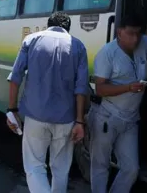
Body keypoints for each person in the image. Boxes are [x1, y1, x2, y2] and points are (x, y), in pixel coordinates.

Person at [89, 14, 147, 193]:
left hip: (130, 120)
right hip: (107, 117)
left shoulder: (143, 43)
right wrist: (128, 87)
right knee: (100, 166)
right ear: (119, 32)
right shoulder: (107, 53)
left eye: (138, 33)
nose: (135, 38)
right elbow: (100, 89)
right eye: (131, 34)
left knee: (131, 169)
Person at [6, 11, 88, 193]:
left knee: (34, 166)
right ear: (67, 28)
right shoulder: (78, 46)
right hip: (66, 119)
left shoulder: (31, 40)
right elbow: (81, 88)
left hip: (35, 117)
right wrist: (80, 121)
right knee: (60, 169)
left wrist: (12, 109)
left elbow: (16, 77)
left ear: (48, 24)